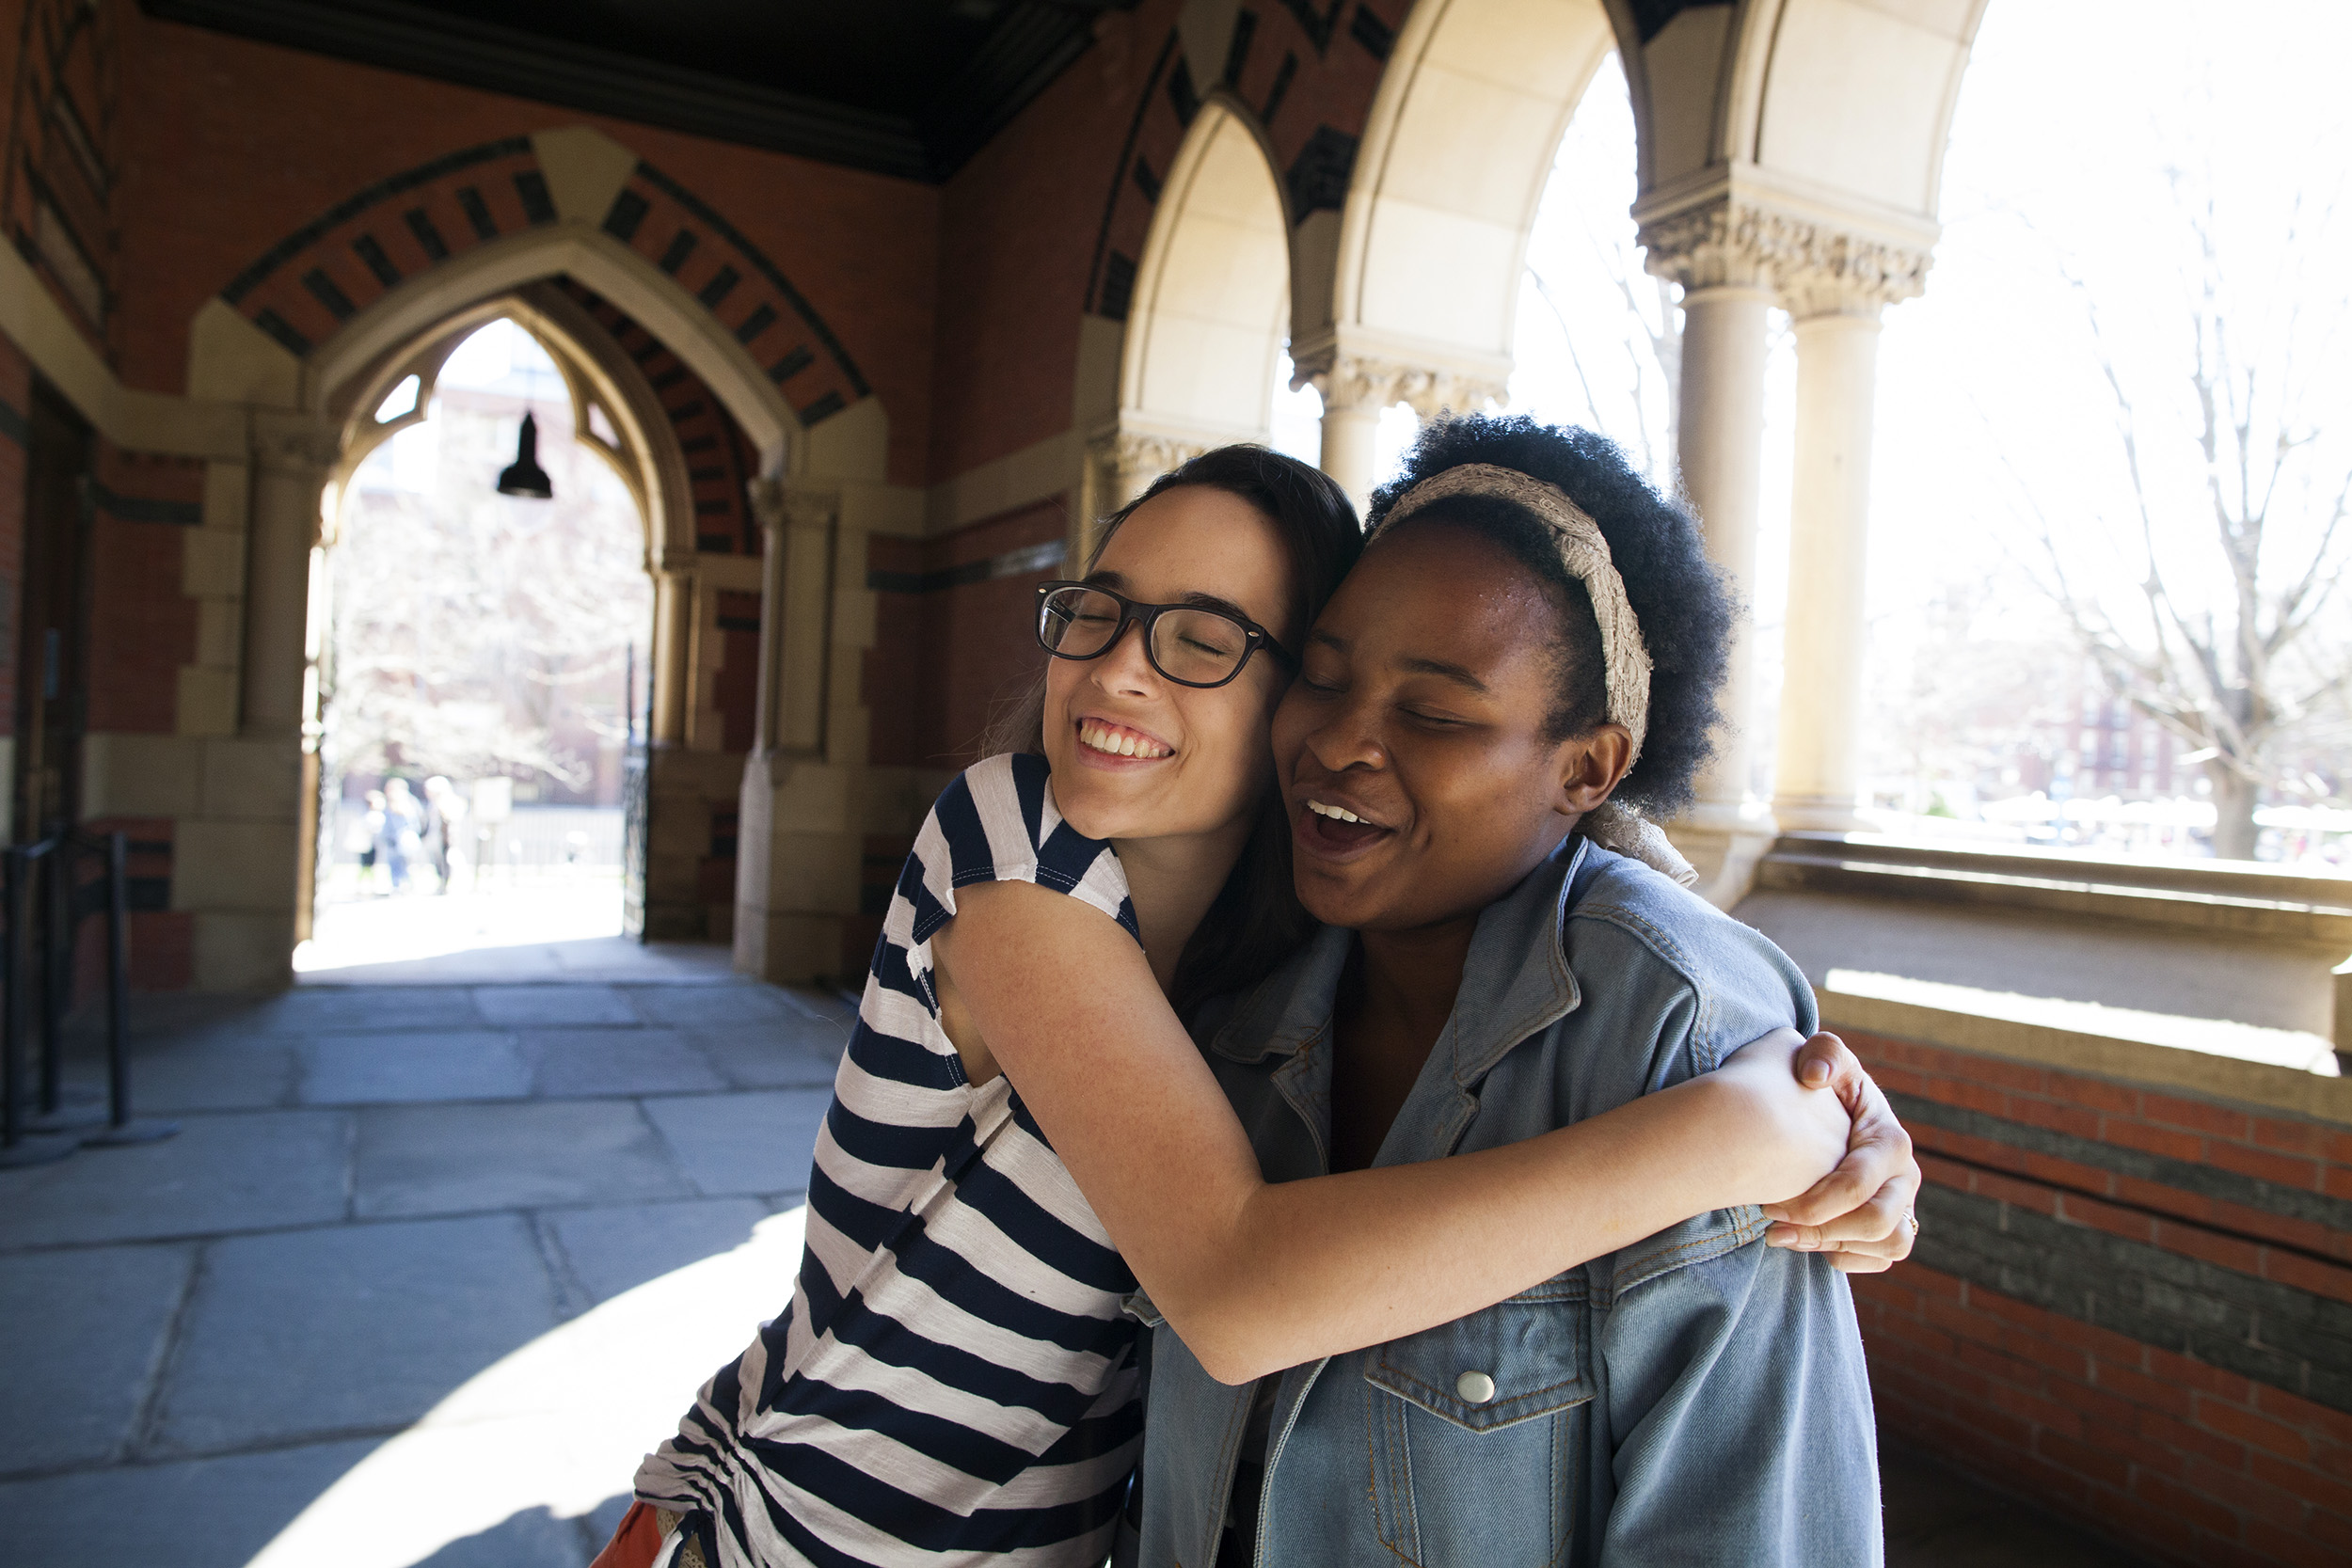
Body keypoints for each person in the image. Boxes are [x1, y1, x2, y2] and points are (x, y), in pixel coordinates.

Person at [601, 447, 1915, 1568]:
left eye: (1205, 637)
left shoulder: (1292, 938)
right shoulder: (1014, 855)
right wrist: (1733, 1137)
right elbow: (1233, 1280)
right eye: (1098, 612)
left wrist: (1834, 1115)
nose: (1121, 670)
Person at [1127, 417, 1890, 1566]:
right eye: (1321, 678)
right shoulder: (1232, 979)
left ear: (1587, 766)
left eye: (1432, 713)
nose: (1337, 742)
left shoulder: (1681, 1047)